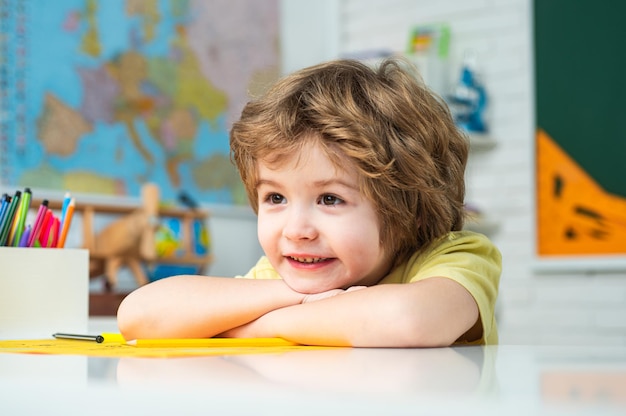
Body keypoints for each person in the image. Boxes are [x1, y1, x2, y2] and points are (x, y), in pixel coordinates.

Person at [117, 57, 501, 347]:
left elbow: (408, 320)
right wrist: (296, 297)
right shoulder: (288, 277)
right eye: (276, 197)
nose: (296, 230)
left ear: (413, 211)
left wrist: (251, 327)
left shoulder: (455, 258)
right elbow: (139, 315)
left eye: (330, 199)